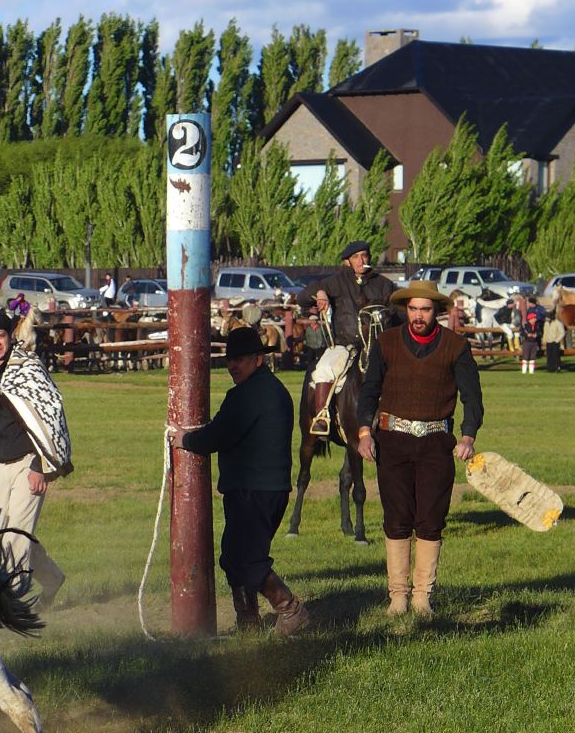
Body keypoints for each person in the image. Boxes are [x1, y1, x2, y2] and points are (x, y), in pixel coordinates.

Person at [356, 280, 484, 616]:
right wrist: (364, 432)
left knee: (431, 519)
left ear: (436, 312)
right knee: (396, 518)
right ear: (405, 310)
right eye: (412, 309)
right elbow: (369, 391)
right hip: (392, 440)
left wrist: (468, 435)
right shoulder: (385, 343)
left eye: (424, 309)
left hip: (437, 443)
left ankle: (422, 597)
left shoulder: (456, 346)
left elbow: (473, 398)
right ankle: (397, 597)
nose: (417, 315)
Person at [176, 327, 311, 636]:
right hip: (264, 488)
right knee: (233, 558)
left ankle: (290, 609)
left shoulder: (249, 395)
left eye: (240, 360)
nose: (233, 366)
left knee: (247, 559)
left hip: (255, 489)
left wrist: (185, 439)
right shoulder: (270, 389)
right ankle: (247, 621)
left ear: (257, 360)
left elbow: (218, 435)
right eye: (230, 360)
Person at [0, 311, 72, 608]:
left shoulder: (28, 368)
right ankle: (52, 578)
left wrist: (40, 467)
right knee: (1, 534)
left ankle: (11, 603)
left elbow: (50, 414)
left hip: (28, 461)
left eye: (0, 337)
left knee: (15, 536)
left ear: (9, 337)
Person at [295, 241, 397, 435]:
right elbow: (301, 298)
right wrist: (319, 292)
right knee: (324, 369)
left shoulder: (384, 284)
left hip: (379, 346)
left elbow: (398, 309)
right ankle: (322, 417)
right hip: (345, 345)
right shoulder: (334, 282)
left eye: (364, 255)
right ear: (347, 261)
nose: (361, 260)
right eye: (356, 257)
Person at [519, 304, 543, 374]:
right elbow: (521, 333)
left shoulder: (537, 326)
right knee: (525, 357)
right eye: (534, 318)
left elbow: (540, 333)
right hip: (527, 342)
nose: (535, 319)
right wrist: (527, 334)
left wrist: (537, 335)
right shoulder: (525, 326)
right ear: (530, 319)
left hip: (534, 342)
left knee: (532, 357)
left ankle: (531, 371)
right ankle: (524, 371)